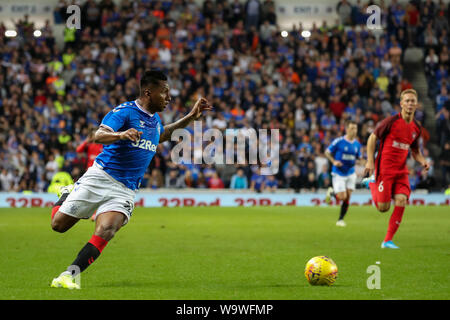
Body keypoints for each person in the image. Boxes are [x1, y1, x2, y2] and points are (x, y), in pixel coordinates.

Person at [49, 70, 212, 289]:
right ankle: (67, 193)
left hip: (125, 190)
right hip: (101, 177)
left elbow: (162, 134)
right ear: (148, 92)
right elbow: (99, 135)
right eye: (164, 92)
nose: (169, 98)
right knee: (58, 225)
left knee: (106, 230)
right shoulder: (125, 112)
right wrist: (121, 135)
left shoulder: (154, 120)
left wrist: (191, 117)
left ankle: (70, 275)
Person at [362, 89, 430, 249]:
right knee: (383, 208)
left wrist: (422, 161)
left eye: (413, 101)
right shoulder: (391, 121)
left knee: (401, 200)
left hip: (401, 171)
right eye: (407, 101)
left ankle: (387, 241)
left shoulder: (416, 128)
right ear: (401, 104)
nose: (410, 103)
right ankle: (371, 183)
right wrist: (369, 161)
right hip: (384, 169)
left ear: (416, 104)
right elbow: (372, 137)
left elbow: (415, 151)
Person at [324, 120, 363, 227]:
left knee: (348, 197)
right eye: (351, 128)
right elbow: (327, 152)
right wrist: (334, 162)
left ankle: (340, 219)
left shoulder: (357, 144)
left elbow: (359, 158)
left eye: (355, 128)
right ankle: (332, 192)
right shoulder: (339, 141)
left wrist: (363, 162)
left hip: (350, 173)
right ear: (346, 129)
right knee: (342, 196)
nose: (354, 131)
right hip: (339, 173)